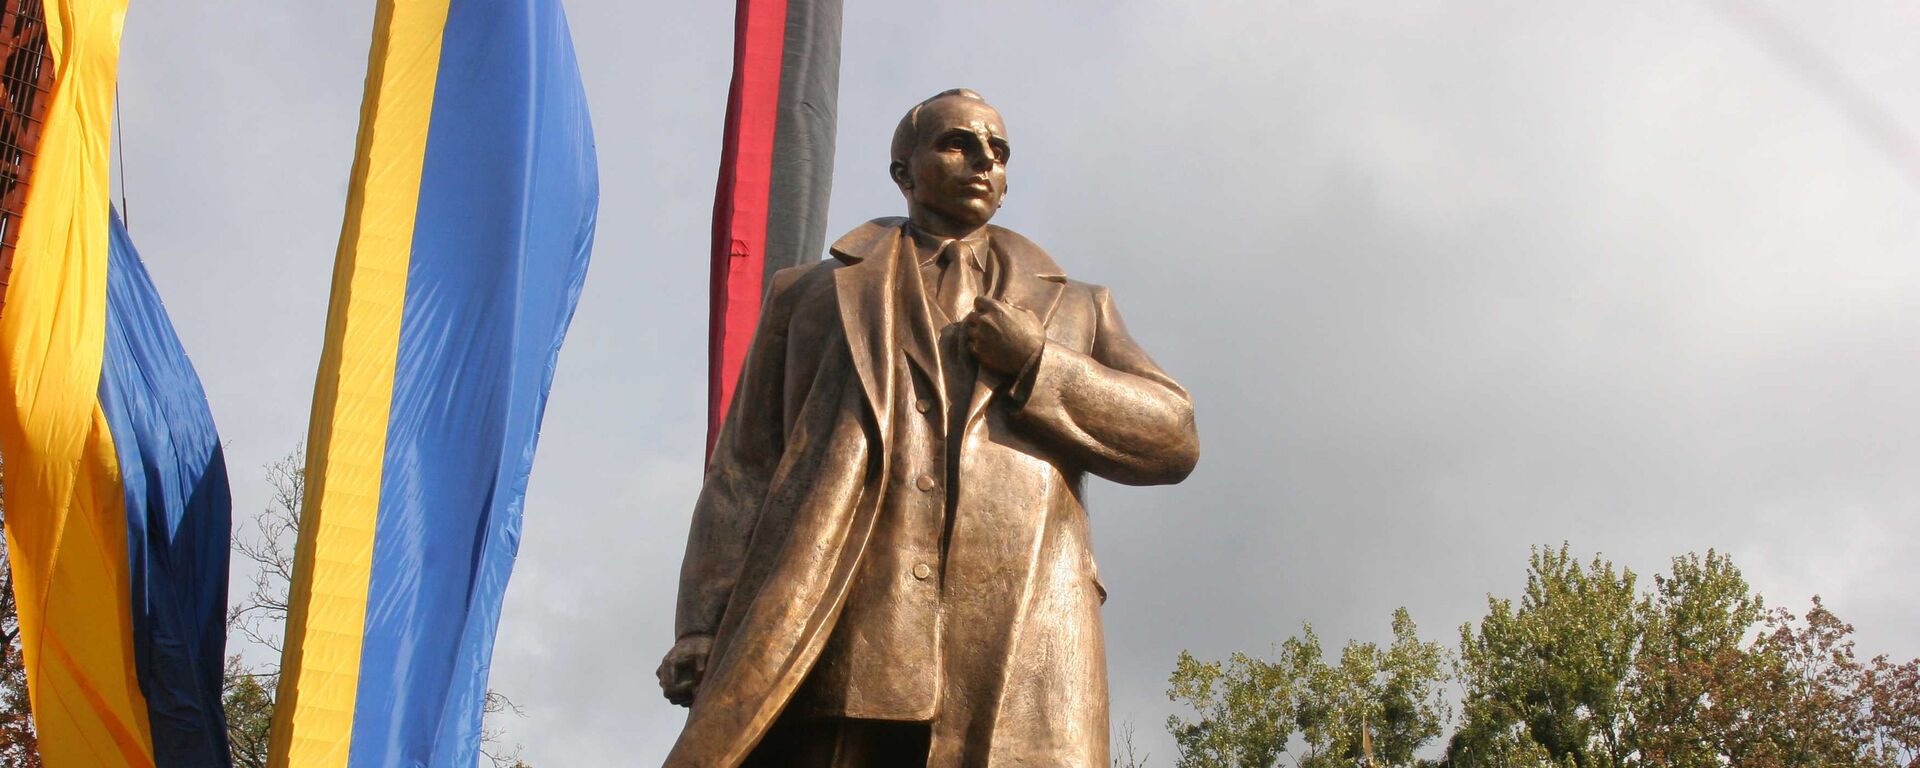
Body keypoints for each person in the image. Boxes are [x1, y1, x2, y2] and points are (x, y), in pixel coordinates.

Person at [658, 88, 1199, 768]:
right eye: (957, 144)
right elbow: (743, 468)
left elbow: (1173, 435)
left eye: (997, 153)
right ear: (903, 170)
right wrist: (702, 624)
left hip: (1022, 633)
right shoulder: (807, 296)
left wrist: (1037, 363)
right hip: (844, 627)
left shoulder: (1077, 307)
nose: (982, 162)